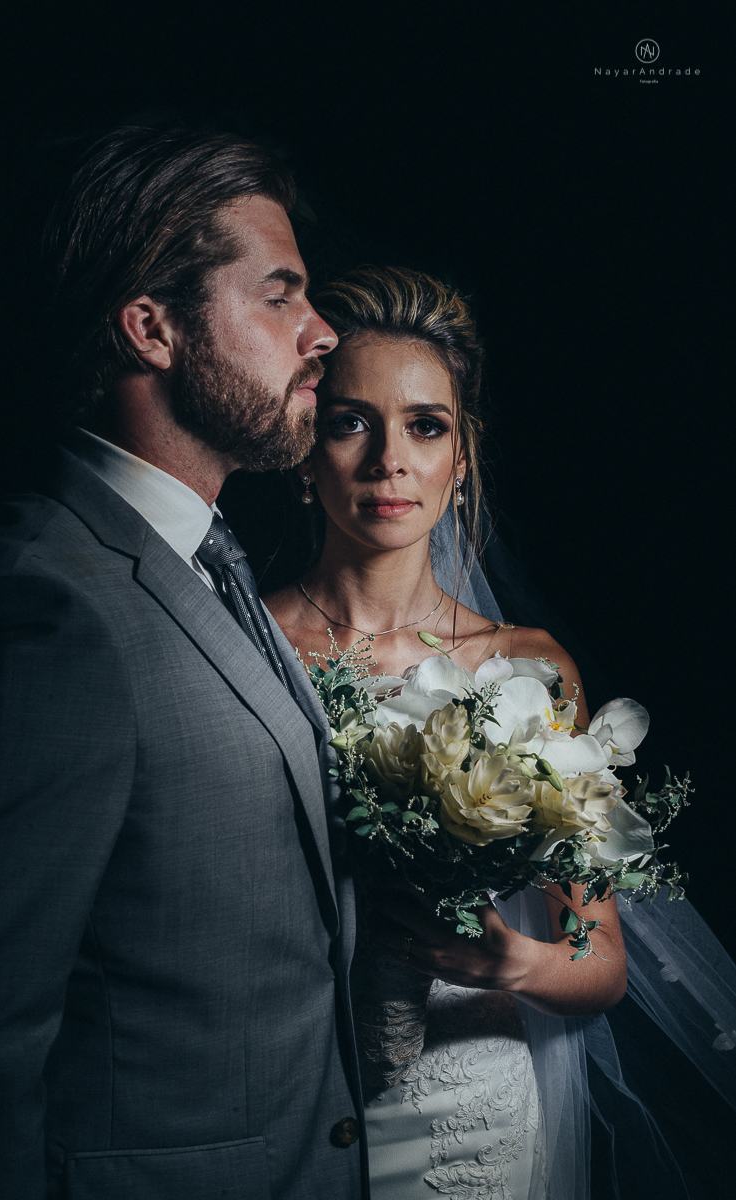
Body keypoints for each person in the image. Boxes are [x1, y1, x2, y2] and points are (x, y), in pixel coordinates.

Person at [0, 128, 367, 1200]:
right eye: (279, 297)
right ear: (154, 328)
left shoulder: (207, 557)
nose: (321, 334)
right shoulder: (51, 607)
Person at [263, 266, 736, 1199]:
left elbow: (596, 959)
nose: (388, 459)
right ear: (305, 448)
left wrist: (503, 958)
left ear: (461, 456)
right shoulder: (248, 644)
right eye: (350, 420)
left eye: (425, 426)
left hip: (465, 1094)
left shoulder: (528, 669)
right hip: (284, 1082)